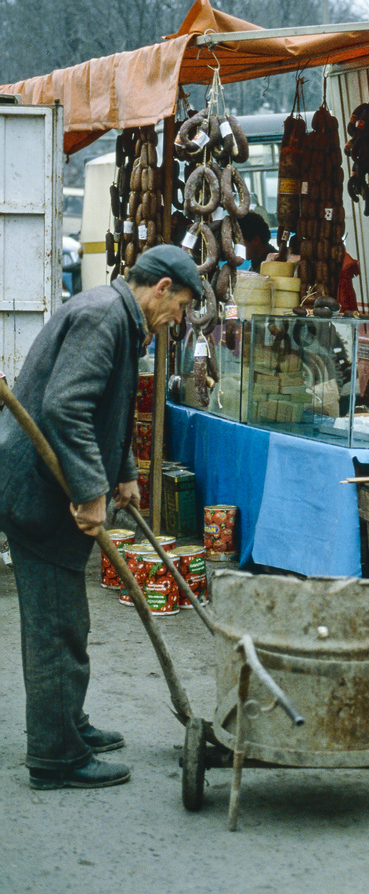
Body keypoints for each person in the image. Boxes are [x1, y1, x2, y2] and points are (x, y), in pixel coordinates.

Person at [0, 244, 201, 790]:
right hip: (37, 492)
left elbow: (111, 407)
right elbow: (68, 406)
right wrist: (91, 491)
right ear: (161, 287)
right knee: (56, 623)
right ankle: (56, 757)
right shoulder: (102, 318)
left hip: (47, 486)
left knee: (69, 619)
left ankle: (70, 724)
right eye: (180, 306)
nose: (178, 319)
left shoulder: (122, 320)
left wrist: (126, 473)